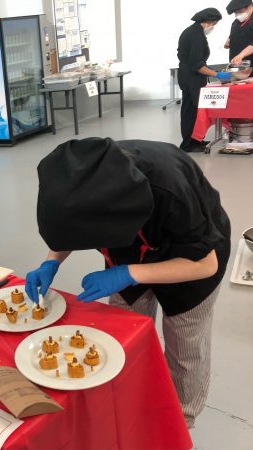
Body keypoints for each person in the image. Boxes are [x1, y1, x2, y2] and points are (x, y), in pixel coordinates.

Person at [25, 138, 230, 428]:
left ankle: (181, 421)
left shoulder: (170, 189)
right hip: (130, 249)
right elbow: (71, 225)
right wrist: (51, 262)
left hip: (192, 257)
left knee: (185, 346)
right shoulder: (83, 184)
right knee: (124, 331)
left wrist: (127, 275)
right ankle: (131, 394)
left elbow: (206, 265)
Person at [177, 8, 230, 153]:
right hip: (192, 78)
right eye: (214, 23)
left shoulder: (193, 31)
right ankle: (188, 144)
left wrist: (209, 69)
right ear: (208, 21)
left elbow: (194, 59)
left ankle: (195, 140)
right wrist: (217, 74)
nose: (214, 26)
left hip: (188, 75)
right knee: (191, 111)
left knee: (192, 110)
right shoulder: (196, 35)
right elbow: (197, 65)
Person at [225, 0, 253, 66]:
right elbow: (238, 30)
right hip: (237, 64)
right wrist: (229, 39)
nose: (237, 15)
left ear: (249, 7)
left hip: (250, 64)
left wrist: (241, 55)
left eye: (240, 12)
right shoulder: (236, 21)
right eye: (235, 13)